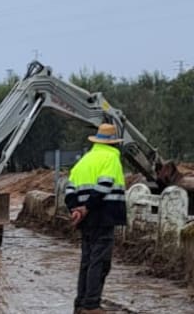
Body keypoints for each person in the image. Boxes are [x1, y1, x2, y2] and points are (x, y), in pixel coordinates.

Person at [64, 123, 127, 314]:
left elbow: (69, 189)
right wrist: (87, 208)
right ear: (114, 143)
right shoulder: (111, 158)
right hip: (103, 216)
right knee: (100, 262)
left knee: (87, 260)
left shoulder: (84, 160)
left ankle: (81, 303)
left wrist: (75, 209)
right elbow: (104, 185)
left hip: (86, 220)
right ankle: (91, 305)